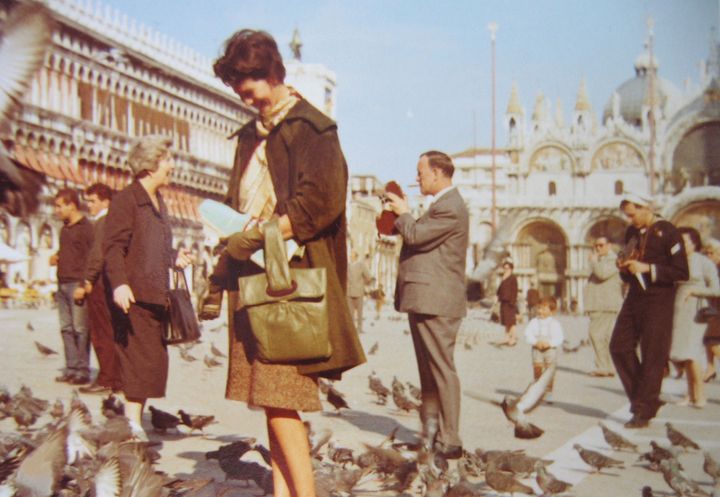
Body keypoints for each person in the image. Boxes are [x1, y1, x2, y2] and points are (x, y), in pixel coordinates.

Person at [206, 29, 366, 497]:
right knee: (270, 402)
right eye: (237, 87)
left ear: (271, 73)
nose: (244, 96)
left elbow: (320, 203)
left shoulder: (311, 128)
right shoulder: (251, 135)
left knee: (281, 400)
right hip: (252, 277)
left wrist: (258, 233)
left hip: (289, 284)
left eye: (248, 85)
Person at [103, 136, 193, 440]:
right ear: (150, 165)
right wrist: (119, 284)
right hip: (135, 295)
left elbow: (153, 246)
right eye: (166, 160)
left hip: (156, 294)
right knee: (139, 358)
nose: (171, 166)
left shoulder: (158, 202)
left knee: (152, 360)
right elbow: (113, 246)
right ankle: (132, 424)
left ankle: (132, 420)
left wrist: (173, 258)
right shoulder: (127, 200)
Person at [386, 150, 469, 459]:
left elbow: (417, 236)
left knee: (441, 371)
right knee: (429, 374)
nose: (417, 177)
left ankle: (451, 440)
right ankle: (431, 436)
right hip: (426, 299)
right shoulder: (442, 205)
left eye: (421, 173)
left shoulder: (450, 207)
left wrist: (404, 212)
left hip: (437, 301)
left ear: (438, 174)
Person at [609, 193, 689, 428]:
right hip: (635, 296)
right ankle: (644, 400)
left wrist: (647, 268)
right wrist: (624, 267)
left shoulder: (668, 231)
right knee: (619, 346)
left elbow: (681, 272)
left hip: (659, 300)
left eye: (633, 214)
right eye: (627, 215)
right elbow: (629, 264)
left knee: (653, 353)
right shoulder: (631, 233)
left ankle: (643, 410)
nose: (631, 220)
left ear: (646, 208)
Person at [74, 183, 121, 395]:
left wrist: (87, 280)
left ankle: (106, 379)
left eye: (92, 201)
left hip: (100, 283)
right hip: (111, 282)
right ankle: (115, 378)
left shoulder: (103, 222)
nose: (89, 206)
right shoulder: (114, 220)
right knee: (110, 331)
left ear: (105, 201)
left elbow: (98, 253)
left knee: (101, 333)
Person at [669, 227, 720, 407]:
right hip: (678, 311)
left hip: (696, 312)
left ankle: (700, 396)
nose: (682, 245)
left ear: (695, 242)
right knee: (681, 354)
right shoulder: (675, 261)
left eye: (686, 241)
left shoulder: (704, 262)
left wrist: (694, 290)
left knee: (691, 354)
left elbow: (716, 289)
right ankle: (689, 395)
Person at [51, 188, 94, 385]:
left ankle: (82, 370)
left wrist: (84, 284)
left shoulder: (87, 228)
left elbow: (91, 258)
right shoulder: (64, 228)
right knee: (66, 328)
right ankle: (71, 368)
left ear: (72, 205)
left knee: (80, 329)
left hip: (76, 284)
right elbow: (70, 251)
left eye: (60, 206)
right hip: (61, 283)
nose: (56, 210)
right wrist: (58, 256)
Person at [584, 236, 623, 377]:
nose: (598, 248)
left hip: (604, 304)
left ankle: (602, 366)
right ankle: (607, 367)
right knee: (604, 336)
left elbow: (602, 274)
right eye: (596, 246)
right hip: (601, 303)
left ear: (609, 245)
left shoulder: (613, 260)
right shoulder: (604, 260)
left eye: (601, 245)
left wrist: (593, 261)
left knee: (595, 334)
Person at [523, 295, 564, 402]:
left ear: (552, 311)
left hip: (550, 350)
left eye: (544, 309)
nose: (540, 311)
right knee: (537, 370)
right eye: (539, 308)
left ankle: (548, 392)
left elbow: (559, 338)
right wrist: (535, 342)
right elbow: (527, 334)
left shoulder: (555, 324)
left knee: (549, 371)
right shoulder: (534, 322)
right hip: (537, 349)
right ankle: (537, 392)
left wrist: (550, 343)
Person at [702, 239, 720, 382]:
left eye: (712, 253)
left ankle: (710, 367)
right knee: (707, 339)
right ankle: (710, 367)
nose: (709, 255)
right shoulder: (709, 268)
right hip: (711, 309)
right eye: (706, 253)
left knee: (713, 342)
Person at [346, 250, 373, 333]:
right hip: (351, 292)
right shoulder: (348, 265)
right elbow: (368, 277)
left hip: (355, 291)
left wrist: (364, 283)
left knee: (357, 312)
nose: (351, 257)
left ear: (356, 256)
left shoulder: (360, 265)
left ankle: (358, 328)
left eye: (352, 255)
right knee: (352, 312)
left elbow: (368, 277)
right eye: (351, 255)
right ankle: (354, 329)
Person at [497, 260, 519, 346]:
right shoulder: (504, 277)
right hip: (503, 302)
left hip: (510, 303)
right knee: (505, 321)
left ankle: (513, 338)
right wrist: (498, 297)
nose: (506, 270)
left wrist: (512, 302)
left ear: (511, 269)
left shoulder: (513, 278)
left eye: (507, 268)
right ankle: (507, 337)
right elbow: (499, 290)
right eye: (504, 268)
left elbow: (515, 290)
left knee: (511, 322)